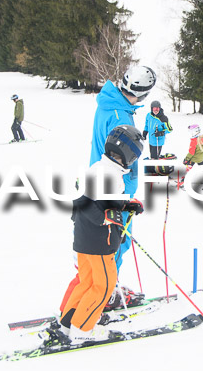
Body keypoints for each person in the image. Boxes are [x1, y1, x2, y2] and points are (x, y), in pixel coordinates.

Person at [60, 65, 156, 314]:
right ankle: (100, 294)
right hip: (113, 187)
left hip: (102, 181)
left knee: (107, 243)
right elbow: (122, 153)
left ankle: (102, 290)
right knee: (113, 243)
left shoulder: (112, 103)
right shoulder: (119, 115)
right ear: (144, 93)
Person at [59, 125, 145, 343]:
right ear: (126, 153)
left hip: (84, 241)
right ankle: (82, 329)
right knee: (104, 286)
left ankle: (68, 322)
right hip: (100, 243)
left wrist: (126, 205)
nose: (133, 161)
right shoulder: (109, 174)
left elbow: (98, 200)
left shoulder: (98, 167)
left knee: (86, 283)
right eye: (133, 156)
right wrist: (107, 217)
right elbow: (86, 204)